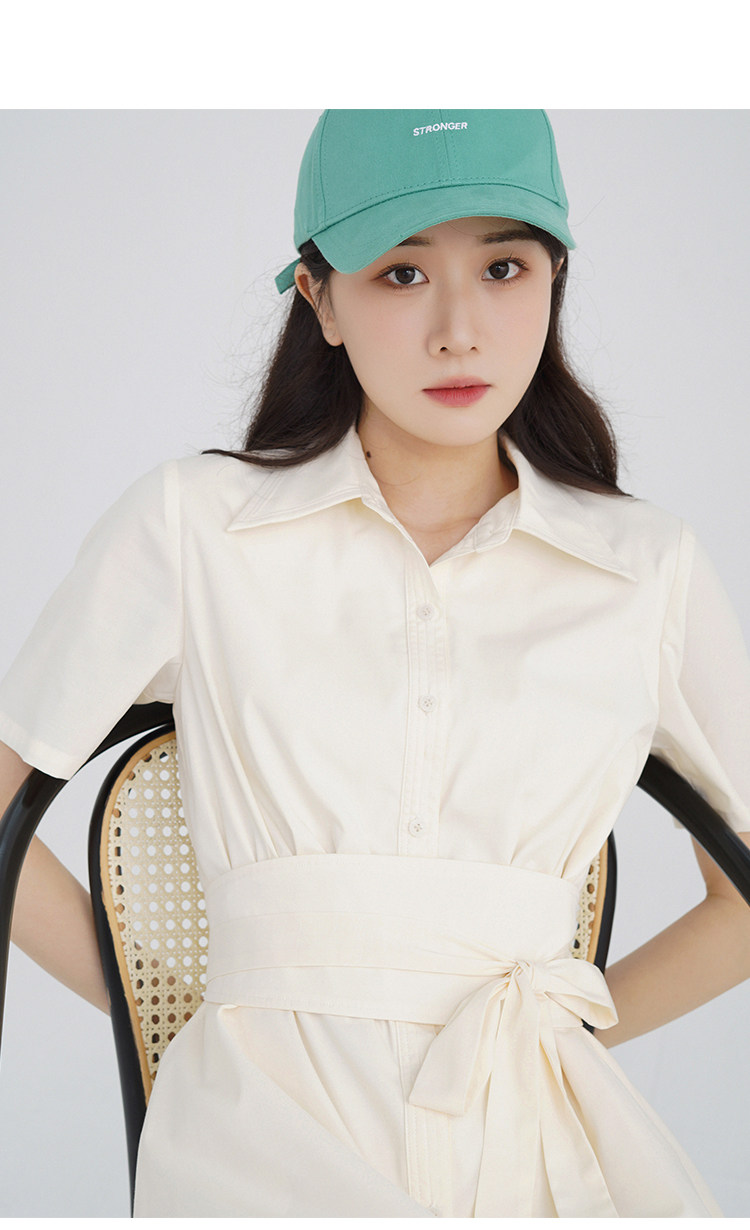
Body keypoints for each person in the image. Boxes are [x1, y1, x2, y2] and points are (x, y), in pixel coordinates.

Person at [1, 108, 749, 1217]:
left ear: (556, 277)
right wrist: (164, 1009)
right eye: (402, 273)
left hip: (535, 1151)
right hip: (258, 1145)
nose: (460, 331)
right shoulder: (197, 524)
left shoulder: (647, 567)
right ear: (319, 299)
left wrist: (558, 1035)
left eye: (504, 267)